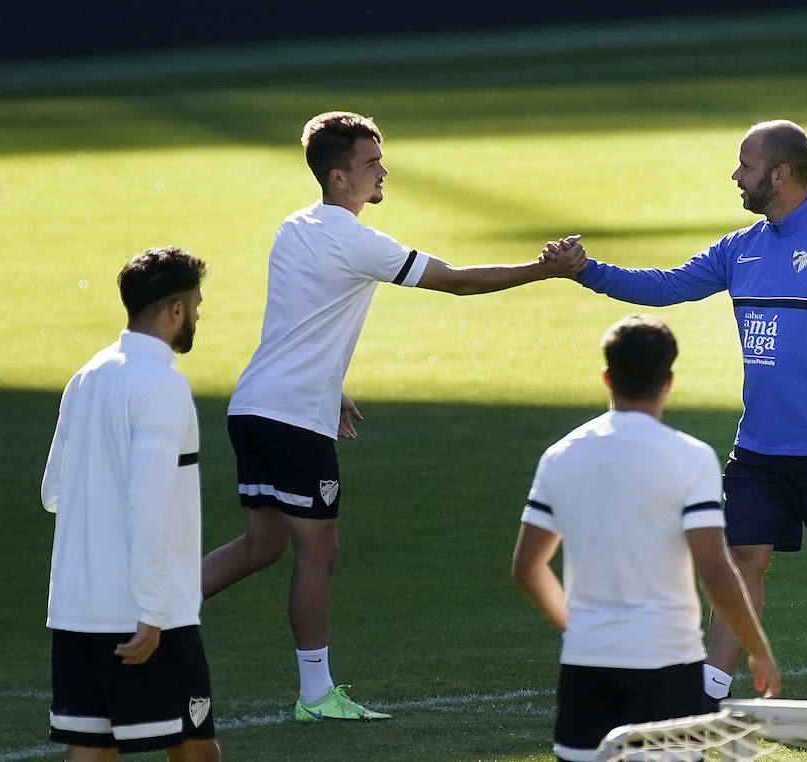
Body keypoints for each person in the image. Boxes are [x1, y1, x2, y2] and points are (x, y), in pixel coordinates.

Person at [199, 111, 588, 722]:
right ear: (338, 177)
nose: (383, 171)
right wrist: (544, 269)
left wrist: (332, 389)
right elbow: (456, 281)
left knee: (262, 544)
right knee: (316, 554)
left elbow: (302, 318)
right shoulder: (354, 239)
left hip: (255, 407)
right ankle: (316, 696)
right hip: (293, 418)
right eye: (371, 164)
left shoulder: (293, 227)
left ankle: (151, 615)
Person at [552, 121, 807, 703]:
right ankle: (712, 689)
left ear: (780, 173)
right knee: (741, 559)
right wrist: (587, 272)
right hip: (759, 448)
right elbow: (665, 286)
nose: (736, 175)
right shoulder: (740, 248)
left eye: (745, 165)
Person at [512, 315, 781, 762]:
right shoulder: (690, 458)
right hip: (668, 663)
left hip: (587, 662)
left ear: (607, 377)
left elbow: (527, 569)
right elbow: (714, 568)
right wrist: (758, 650)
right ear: (668, 381)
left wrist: (577, 627)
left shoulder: (560, 455)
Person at [41, 247, 220, 761]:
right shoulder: (163, 385)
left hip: (76, 610)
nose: (198, 316)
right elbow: (147, 502)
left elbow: (52, 492)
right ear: (176, 310)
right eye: (197, 305)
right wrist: (150, 609)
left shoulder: (87, 376)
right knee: (195, 750)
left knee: (90, 749)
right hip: (145, 613)